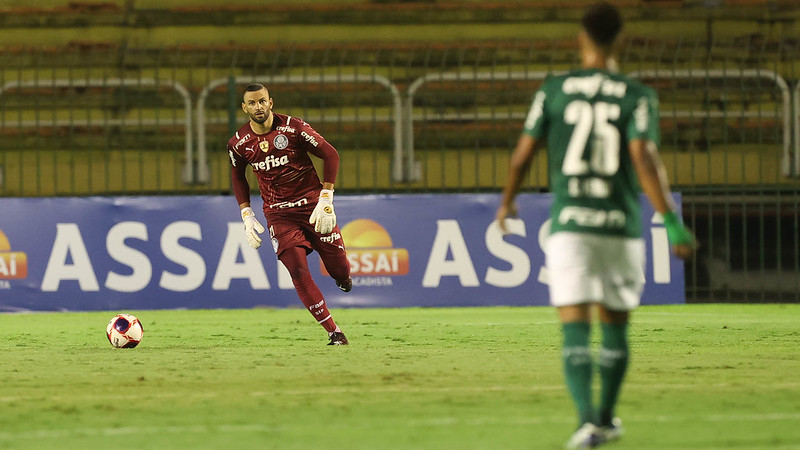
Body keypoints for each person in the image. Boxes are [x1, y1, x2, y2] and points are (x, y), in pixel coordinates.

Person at [496, 2, 696, 448]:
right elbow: (644, 157)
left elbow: (522, 155)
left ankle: (586, 422)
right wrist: (671, 222)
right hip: (618, 226)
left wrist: (507, 202)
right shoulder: (638, 95)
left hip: (570, 225)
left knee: (574, 326)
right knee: (615, 326)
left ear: (581, 39)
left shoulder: (553, 89)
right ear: (619, 41)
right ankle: (605, 419)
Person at [227, 83, 352, 346]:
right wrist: (246, 213)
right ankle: (334, 331)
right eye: (252, 103)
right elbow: (237, 176)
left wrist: (326, 197)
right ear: (244, 107)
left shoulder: (294, 128)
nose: (258, 107)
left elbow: (331, 154)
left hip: (313, 208)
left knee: (339, 269)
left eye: (262, 101)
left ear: (271, 102)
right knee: (296, 269)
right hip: (279, 215)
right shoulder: (239, 143)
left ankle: (342, 278)